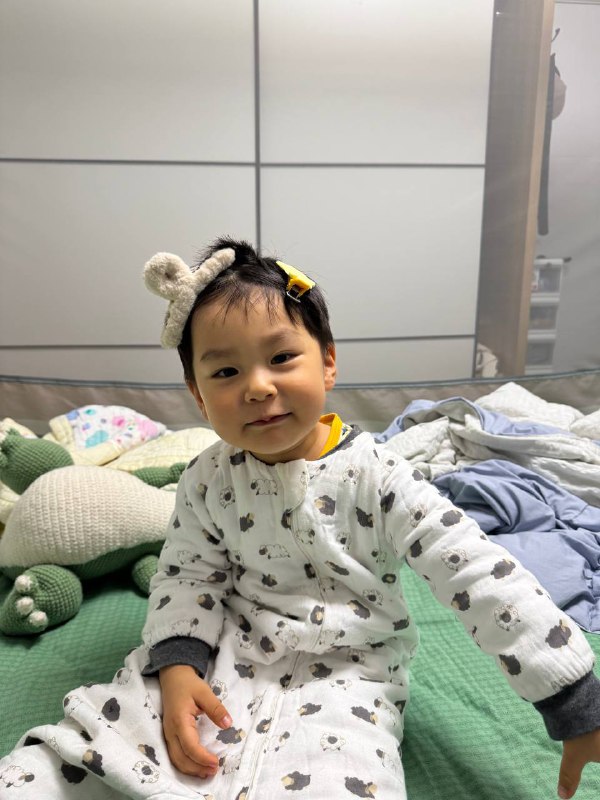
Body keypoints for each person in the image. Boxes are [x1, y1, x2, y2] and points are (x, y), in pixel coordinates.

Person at [1, 237, 599, 800]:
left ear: (328, 362)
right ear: (198, 395)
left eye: (282, 357)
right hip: (222, 657)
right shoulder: (206, 478)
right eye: (226, 372)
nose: (258, 387)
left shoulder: (381, 477)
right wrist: (178, 666)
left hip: (349, 677)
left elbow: (476, 570)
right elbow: (186, 576)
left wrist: (571, 697)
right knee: (83, 750)